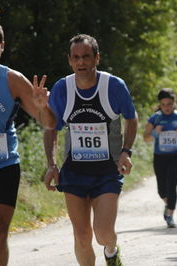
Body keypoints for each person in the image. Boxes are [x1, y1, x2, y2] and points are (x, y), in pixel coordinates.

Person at [43, 34, 137, 266]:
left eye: (86, 57)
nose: (81, 62)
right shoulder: (62, 88)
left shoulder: (113, 86)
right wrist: (52, 165)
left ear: (97, 58)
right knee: (82, 236)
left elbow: (131, 119)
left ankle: (112, 251)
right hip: (74, 171)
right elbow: (51, 128)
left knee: (103, 233)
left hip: (107, 170)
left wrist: (126, 151)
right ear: (70, 60)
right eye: (76, 58)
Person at [0, 22, 56, 266]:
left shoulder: (12, 80)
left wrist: (44, 107)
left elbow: (49, 123)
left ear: (1, 46)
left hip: (4, 166)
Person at [143, 88, 177, 228]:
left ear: (174, 103)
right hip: (160, 157)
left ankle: (170, 215)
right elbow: (146, 138)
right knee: (162, 190)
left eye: (169, 104)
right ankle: (168, 204)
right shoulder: (155, 118)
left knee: (172, 185)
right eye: (163, 104)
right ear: (160, 105)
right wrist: (155, 133)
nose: (167, 107)